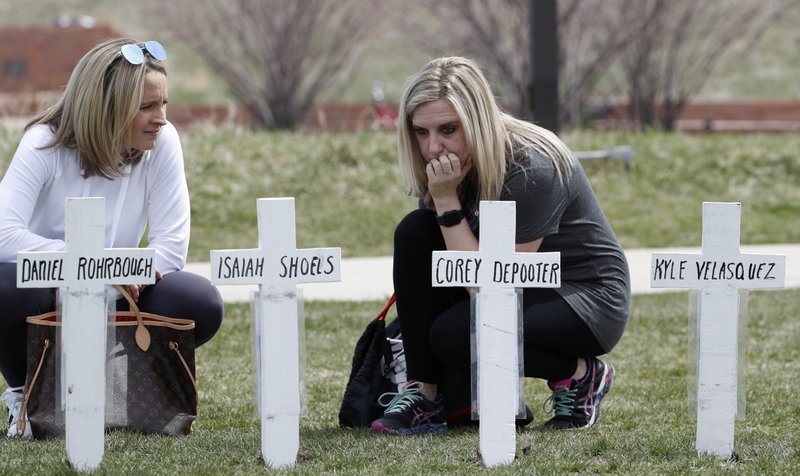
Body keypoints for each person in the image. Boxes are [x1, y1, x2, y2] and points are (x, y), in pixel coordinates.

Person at [370, 57, 630, 435]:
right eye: (421, 132)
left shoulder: (532, 166)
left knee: (452, 334)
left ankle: (581, 374)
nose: (432, 146)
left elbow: (491, 286)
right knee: (414, 231)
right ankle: (425, 394)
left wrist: (445, 202)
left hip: (584, 297)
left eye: (447, 129)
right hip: (519, 284)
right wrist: (441, 202)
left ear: (476, 122)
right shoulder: (452, 162)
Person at [0, 38, 224, 438]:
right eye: (147, 107)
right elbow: (3, 236)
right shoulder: (42, 143)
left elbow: (171, 247)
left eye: (164, 104)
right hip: (47, 293)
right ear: (107, 107)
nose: (161, 118)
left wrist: (118, 274)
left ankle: (130, 392)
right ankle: (25, 394)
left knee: (199, 301)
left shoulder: (163, 142)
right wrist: (97, 262)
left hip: (123, 293)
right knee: (3, 285)